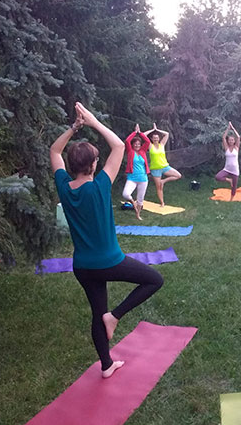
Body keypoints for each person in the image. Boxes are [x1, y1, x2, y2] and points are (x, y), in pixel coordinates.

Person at [50, 103, 164, 379]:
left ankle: (106, 365)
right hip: (109, 261)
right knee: (154, 280)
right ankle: (115, 317)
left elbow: (54, 151)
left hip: (83, 266)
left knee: (97, 312)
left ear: (73, 166)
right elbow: (119, 147)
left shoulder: (64, 187)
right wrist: (92, 122)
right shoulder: (100, 186)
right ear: (92, 165)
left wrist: (72, 128)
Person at [145, 123, 182, 207]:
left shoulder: (162, 145)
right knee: (159, 188)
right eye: (154, 138)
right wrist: (152, 130)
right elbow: (144, 135)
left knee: (178, 175)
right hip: (155, 169)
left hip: (165, 167)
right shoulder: (150, 146)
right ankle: (162, 203)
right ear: (151, 139)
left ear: (159, 138)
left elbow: (167, 134)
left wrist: (157, 130)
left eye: (157, 138)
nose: (155, 139)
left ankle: (163, 181)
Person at [122, 124, 151, 220]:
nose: (137, 145)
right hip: (132, 178)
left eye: (139, 144)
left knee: (140, 200)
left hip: (143, 179)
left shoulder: (143, 151)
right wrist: (135, 132)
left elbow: (147, 141)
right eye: (135, 144)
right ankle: (132, 203)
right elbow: (127, 141)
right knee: (125, 194)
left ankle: (138, 215)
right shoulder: (130, 151)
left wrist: (140, 133)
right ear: (133, 145)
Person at [215, 121, 241, 201]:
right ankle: (229, 180)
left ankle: (231, 199)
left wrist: (232, 128)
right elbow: (223, 137)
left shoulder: (236, 148)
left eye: (232, 140)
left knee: (234, 186)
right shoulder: (226, 148)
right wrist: (227, 128)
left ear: (234, 141)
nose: (231, 141)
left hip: (235, 170)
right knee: (218, 177)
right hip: (227, 169)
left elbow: (238, 137)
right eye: (229, 140)